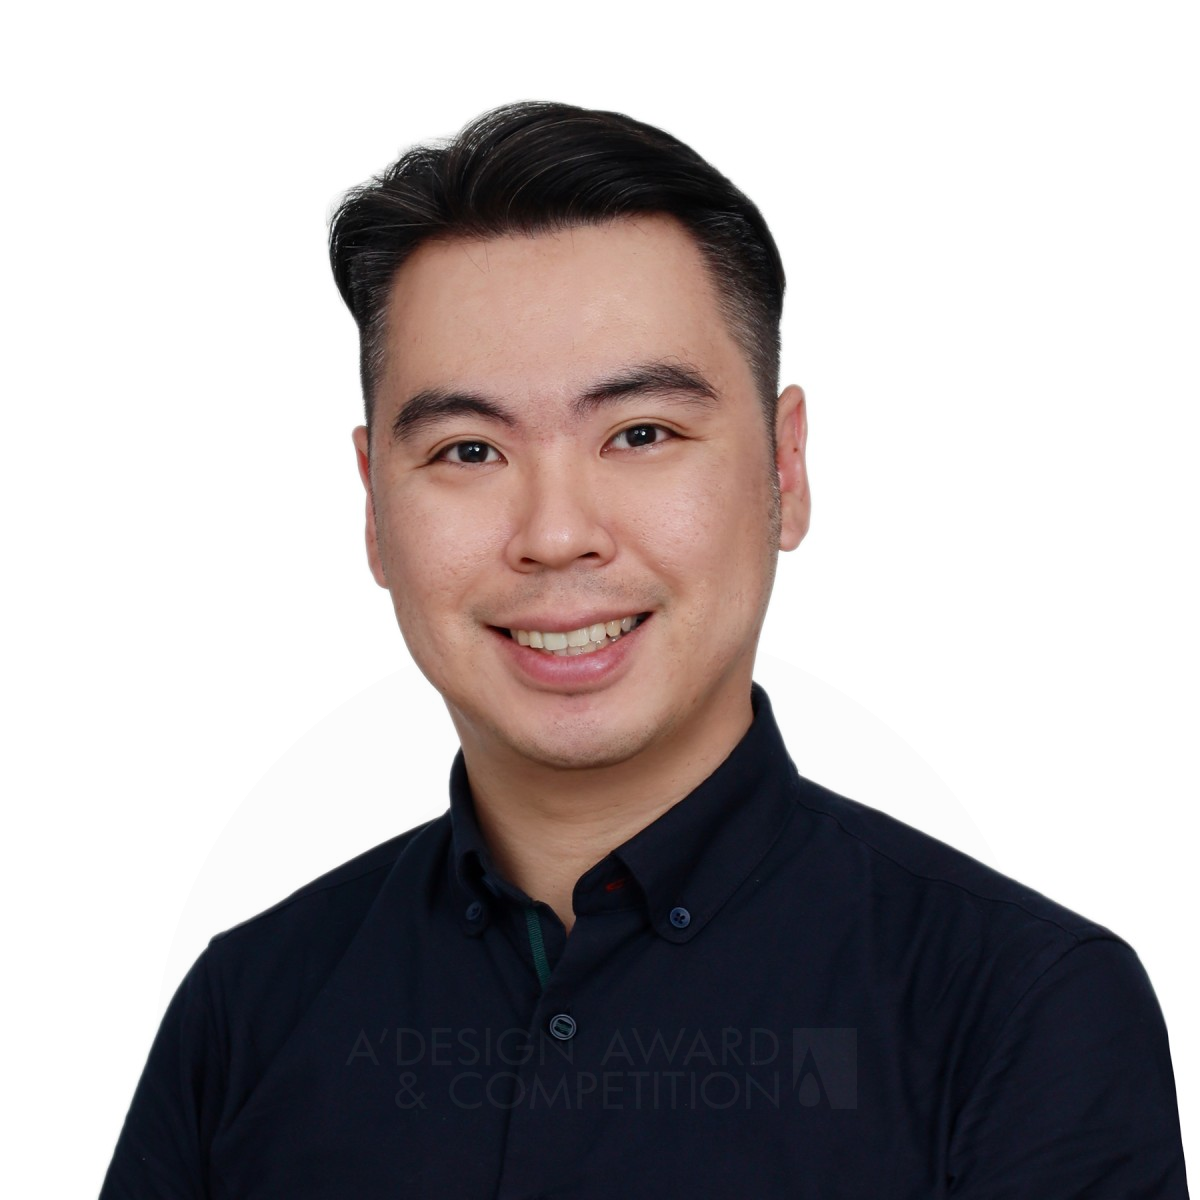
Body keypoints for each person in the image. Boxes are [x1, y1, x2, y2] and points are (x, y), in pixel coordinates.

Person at [100, 101, 1190, 1198]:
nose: (555, 534)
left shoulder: (1022, 1010)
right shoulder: (245, 1013)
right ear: (374, 506)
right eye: (468, 450)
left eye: (641, 434)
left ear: (785, 469)